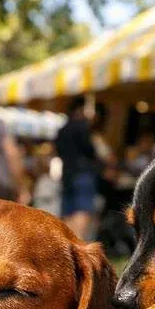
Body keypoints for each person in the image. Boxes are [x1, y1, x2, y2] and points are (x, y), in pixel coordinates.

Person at [55, 96, 99, 240]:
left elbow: (58, 151)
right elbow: (90, 151)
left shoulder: (62, 130)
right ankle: (79, 242)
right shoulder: (82, 127)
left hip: (66, 174)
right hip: (82, 173)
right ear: (81, 109)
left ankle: (69, 244)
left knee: (68, 211)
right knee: (82, 209)